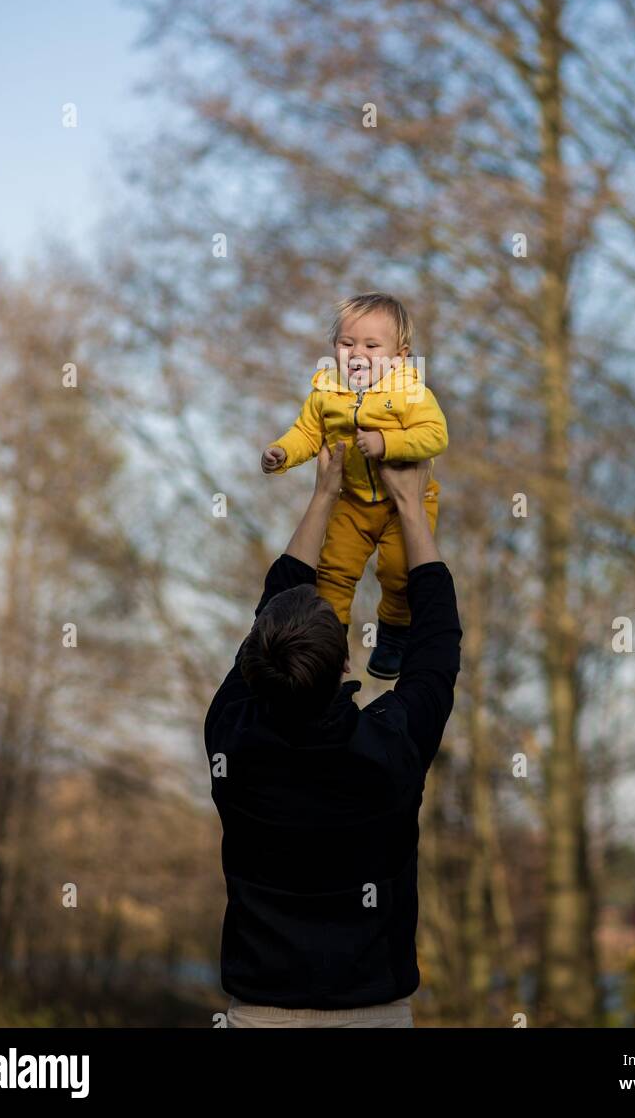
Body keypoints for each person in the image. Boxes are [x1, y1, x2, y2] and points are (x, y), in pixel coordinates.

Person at [204, 441, 462, 1027]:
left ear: (255, 664)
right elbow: (436, 648)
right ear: (346, 666)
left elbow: (271, 613)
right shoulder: (388, 748)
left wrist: (323, 496)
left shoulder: (232, 738)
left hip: (257, 1016)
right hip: (372, 1016)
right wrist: (411, 509)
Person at [260, 292, 448, 679]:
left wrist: (387, 443)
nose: (357, 353)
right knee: (333, 570)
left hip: (406, 501)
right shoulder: (326, 394)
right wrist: (282, 452)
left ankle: (395, 633)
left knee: (398, 570)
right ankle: (330, 641)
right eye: (347, 344)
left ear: (400, 354)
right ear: (334, 348)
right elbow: (306, 434)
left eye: (371, 345)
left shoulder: (411, 393)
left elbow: (435, 435)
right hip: (354, 501)